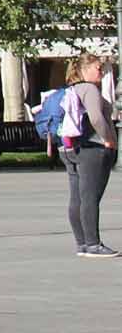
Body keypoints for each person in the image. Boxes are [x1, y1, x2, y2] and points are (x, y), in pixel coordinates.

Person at [59, 57, 118, 258]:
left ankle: (83, 243)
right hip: (91, 148)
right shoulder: (90, 89)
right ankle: (93, 244)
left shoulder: (72, 89)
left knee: (77, 197)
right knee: (90, 197)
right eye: (98, 68)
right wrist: (108, 138)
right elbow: (95, 117)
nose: (101, 72)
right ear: (84, 69)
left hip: (70, 148)